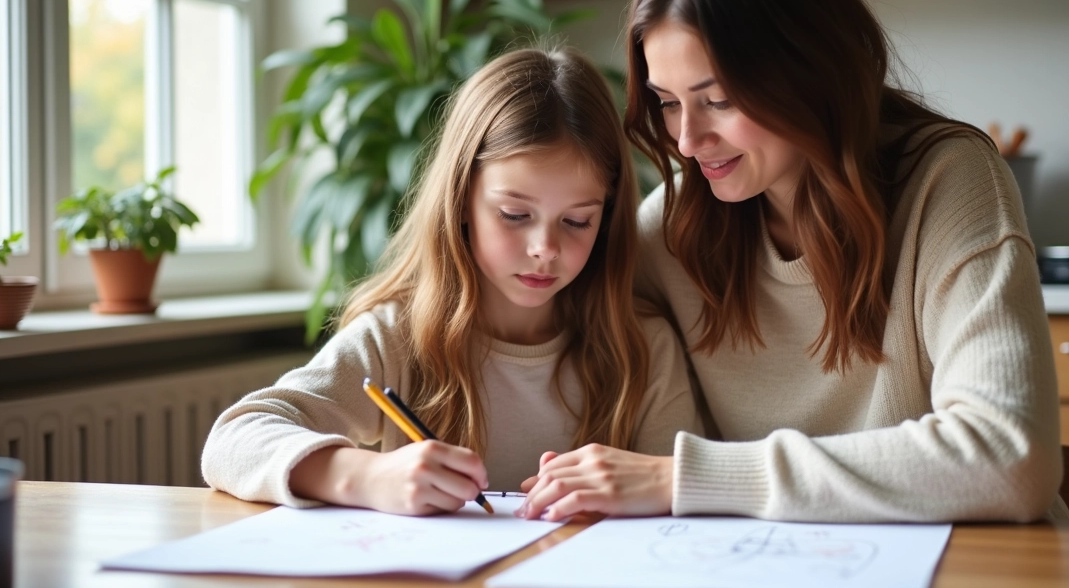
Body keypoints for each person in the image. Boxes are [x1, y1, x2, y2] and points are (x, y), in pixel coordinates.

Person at [518, 0, 1066, 524]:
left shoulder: (948, 182)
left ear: (808, 71)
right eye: (668, 103)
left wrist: (687, 479)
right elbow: (506, 319)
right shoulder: (672, 228)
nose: (688, 142)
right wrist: (379, 468)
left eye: (718, 99)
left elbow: (1012, 457)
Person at [202, 48, 698, 515]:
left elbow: (681, 502)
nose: (544, 247)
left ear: (606, 218)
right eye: (514, 214)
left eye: (577, 221)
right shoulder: (399, 335)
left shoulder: (644, 348)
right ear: (461, 200)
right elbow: (234, 439)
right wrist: (365, 476)